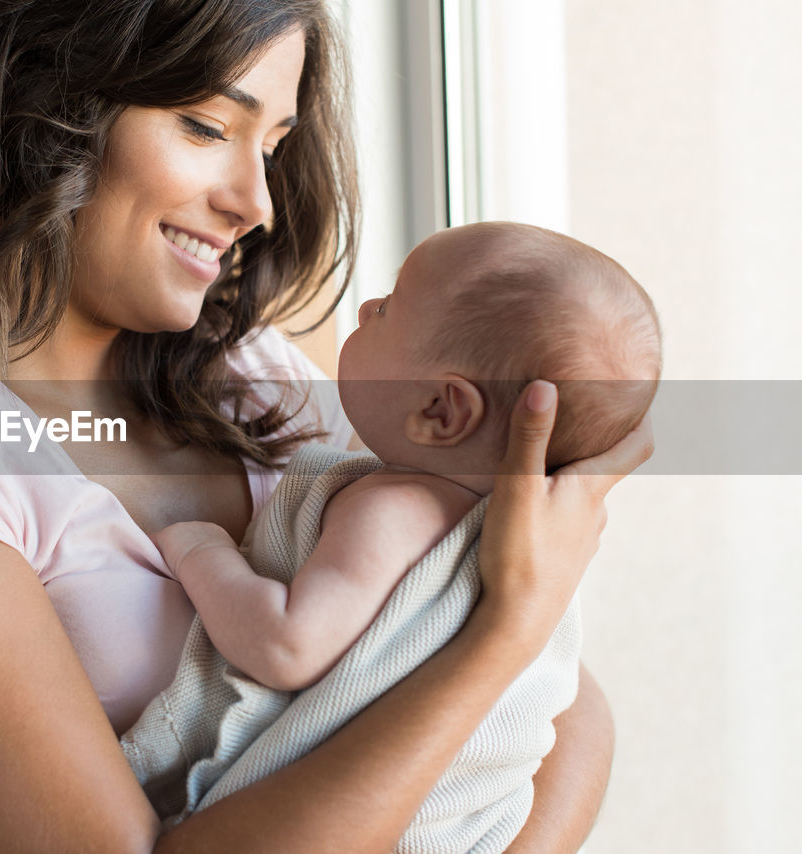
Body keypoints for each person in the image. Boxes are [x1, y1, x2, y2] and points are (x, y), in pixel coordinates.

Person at [0, 2, 652, 852]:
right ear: (40, 106)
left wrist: (517, 634)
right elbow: (495, 657)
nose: (256, 202)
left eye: (273, 144)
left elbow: (561, 713)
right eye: (205, 126)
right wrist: (507, 631)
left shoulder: (246, 373)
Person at [121, 221, 661, 850]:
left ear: (441, 412)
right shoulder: (501, 539)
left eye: (390, 307)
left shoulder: (392, 510)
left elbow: (286, 646)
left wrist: (200, 550)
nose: (367, 306)